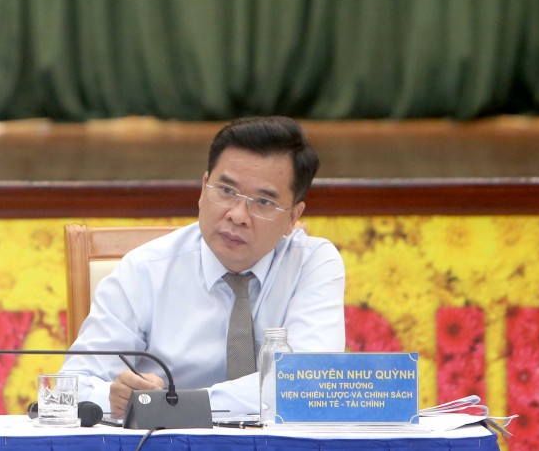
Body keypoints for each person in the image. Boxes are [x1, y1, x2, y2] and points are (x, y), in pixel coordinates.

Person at [61, 116, 344, 418]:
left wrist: (180, 405)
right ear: (203, 188)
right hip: (164, 444)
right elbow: (71, 386)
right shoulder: (145, 271)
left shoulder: (311, 264)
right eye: (226, 191)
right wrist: (115, 397)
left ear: (293, 217)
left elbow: (308, 381)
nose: (238, 215)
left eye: (263, 202)